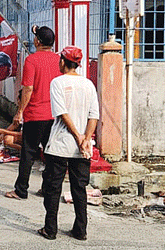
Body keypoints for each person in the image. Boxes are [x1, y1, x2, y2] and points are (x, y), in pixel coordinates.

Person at [40, 46, 100, 242]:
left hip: (60, 144)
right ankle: (80, 230)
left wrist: (77, 136)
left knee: (53, 186)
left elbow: (62, 113)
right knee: (79, 188)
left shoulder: (57, 82)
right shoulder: (88, 84)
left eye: (60, 60)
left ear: (64, 62)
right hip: (83, 147)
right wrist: (85, 138)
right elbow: (94, 116)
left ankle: (50, 229)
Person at [6, 25, 60, 200]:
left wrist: (20, 111)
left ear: (37, 41)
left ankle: (21, 189)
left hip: (35, 114)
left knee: (28, 153)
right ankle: (47, 188)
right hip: (54, 114)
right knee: (51, 154)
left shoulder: (31, 60)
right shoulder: (58, 60)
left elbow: (28, 88)